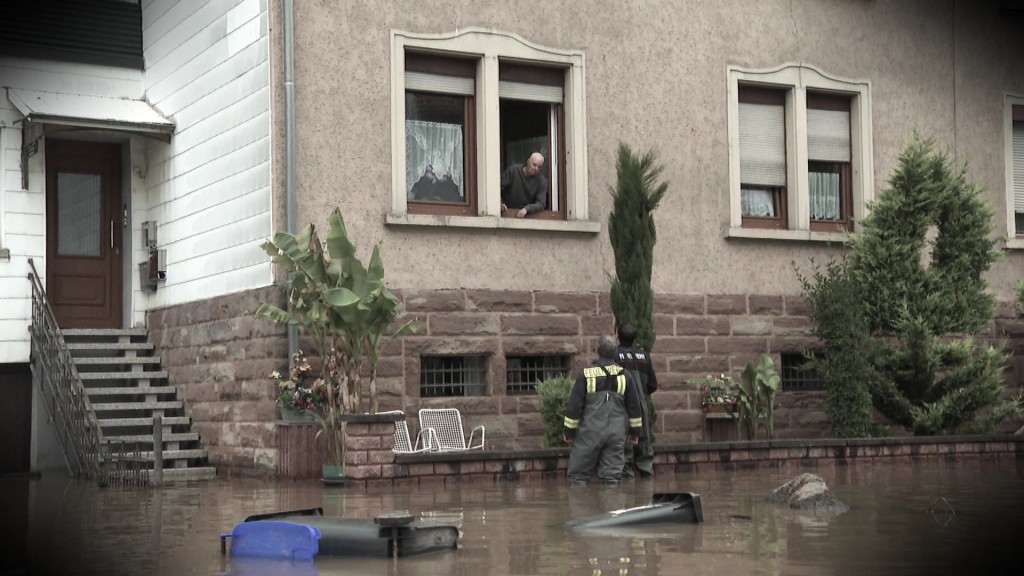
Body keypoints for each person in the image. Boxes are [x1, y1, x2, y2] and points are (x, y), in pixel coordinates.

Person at [563, 335, 644, 485]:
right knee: (612, 479)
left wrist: (569, 432)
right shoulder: (625, 375)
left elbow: (575, 406)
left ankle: (576, 508)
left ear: (597, 351)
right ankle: (612, 506)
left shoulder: (585, 374)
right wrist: (634, 433)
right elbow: (634, 408)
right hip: (615, 435)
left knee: (578, 478)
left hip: (589, 435)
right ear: (615, 352)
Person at [616, 323, 659, 479]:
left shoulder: (614, 356)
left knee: (624, 449)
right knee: (644, 447)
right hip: (641, 408)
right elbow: (653, 385)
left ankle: (627, 490)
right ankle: (647, 485)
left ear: (617, 336)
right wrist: (641, 395)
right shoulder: (644, 356)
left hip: (621, 408)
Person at [500, 152, 547, 218]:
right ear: (528, 162)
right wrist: (500, 203)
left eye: (539, 167)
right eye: (534, 165)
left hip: (525, 216)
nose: (536, 168)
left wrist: (527, 209)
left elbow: (541, 203)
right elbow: (497, 189)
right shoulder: (513, 171)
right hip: (505, 213)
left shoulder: (541, 180)